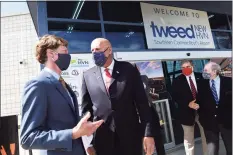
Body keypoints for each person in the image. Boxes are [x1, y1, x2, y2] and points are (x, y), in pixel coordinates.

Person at [20, 35, 104, 155]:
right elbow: (28, 138)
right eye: (64, 51)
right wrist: (73, 133)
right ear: (52, 54)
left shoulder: (61, 83)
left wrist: (85, 129)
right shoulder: (38, 85)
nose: (68, 56)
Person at [81, 38, 155, 155]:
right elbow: (86, 111)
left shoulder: (129, 69)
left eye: (98, 49)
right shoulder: (87, 75)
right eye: (92, 50)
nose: (95, 53)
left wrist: (148, 134)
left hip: (130, 138)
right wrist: (87, 143)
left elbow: (143, 104)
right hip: (102, 140)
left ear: (109, 50)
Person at [195, 62, 232, 155]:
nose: (203, 72)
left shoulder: (229, 82)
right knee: (212, 150)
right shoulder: (202, 84)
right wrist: (202, 118)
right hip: (209, 123)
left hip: (227, 122)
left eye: (206, 70)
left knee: (231, 148)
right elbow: (199, 100)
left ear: (214, 71)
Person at [171, 60, 207, 155]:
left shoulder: (201, 76)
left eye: (187, 66)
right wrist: (188, 103)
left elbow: (207, 93)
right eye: (183, 67)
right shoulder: (177, 80)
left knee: (206, 137)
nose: (185, 69)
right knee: (188, 140)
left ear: (192, 67)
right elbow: (175, 96)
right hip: (186, 114)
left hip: (202, 112)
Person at [141, 75, 166, 155]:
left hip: (153, 118)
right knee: (146, 147)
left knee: (159, 141)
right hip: (142, 123)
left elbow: (158, 86)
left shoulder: (143, 78)